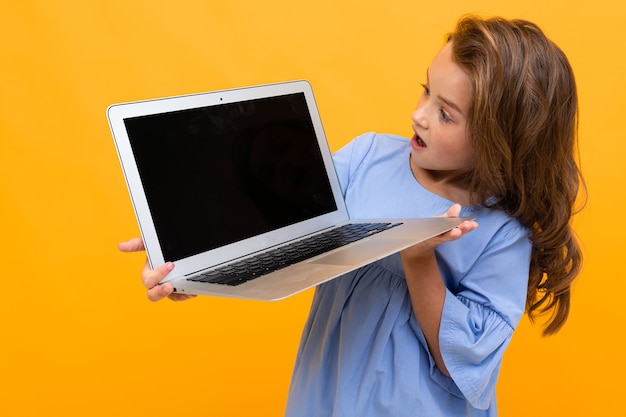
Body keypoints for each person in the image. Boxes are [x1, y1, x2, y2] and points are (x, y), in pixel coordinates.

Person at [118, 15, 584, 416]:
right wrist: (193, 256)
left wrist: (419, 259)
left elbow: (463, 361)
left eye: (446, 114)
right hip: (326, 391)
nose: (419, 115)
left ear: (504, 139)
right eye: (426, 92)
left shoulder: (503, 233)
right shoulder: (367, 158)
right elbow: (283, 226)